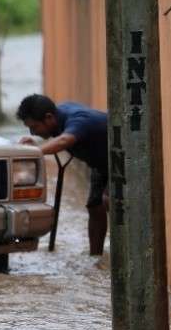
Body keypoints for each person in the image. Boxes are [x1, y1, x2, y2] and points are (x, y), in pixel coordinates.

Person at [16, 94, 108, 255]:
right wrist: (37, 144)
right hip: (100, 164)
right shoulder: (58, 115)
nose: (32, 132)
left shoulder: (78, 120)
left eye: (35, 127)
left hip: (121, 159)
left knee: (106, 201)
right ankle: (96, 257)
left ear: (49, 117)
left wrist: (35, 151)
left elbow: (65, 140)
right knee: (94, 206)